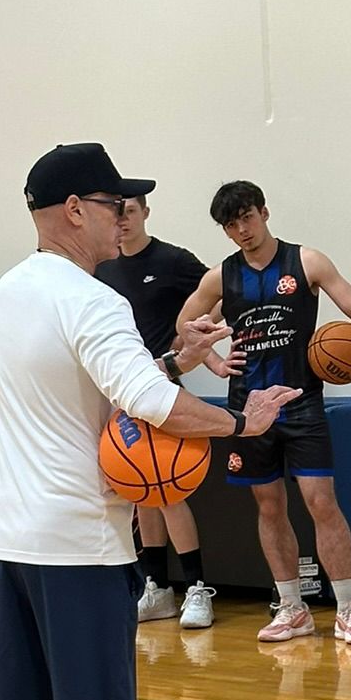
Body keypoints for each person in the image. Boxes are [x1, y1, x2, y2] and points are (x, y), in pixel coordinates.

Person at [0, 143, 298, 700]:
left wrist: (172, 356)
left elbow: (90, 387)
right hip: (77, 544)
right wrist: (242, 421)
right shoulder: (93, 299)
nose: (124, 217)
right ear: (73, 211)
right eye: (113, 203)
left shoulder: (14, 288)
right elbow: (156, 407)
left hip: (8, 537)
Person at [177, 182, 351, 646]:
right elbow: (185, 326)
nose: (242, 230)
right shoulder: (222, 278)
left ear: (264, 212)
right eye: (231, 225)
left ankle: (348, 609)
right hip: (248, 410)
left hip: (301, 403)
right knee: (269, 506)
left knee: (322, 502)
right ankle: (292, 608)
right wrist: (215, 362)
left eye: (247, 217)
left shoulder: (307, 262)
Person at [95, 186, 215, 630]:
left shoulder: (172, 260)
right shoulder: (103, 266)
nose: (122, 219)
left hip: (160, 384)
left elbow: (218, 292)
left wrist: (190, 337)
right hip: (117, 392)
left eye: (129, 211)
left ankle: (197, 587)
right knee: (140, 490)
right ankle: (157, 587)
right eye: (116, 212)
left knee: (169, 490)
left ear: (145, 211)